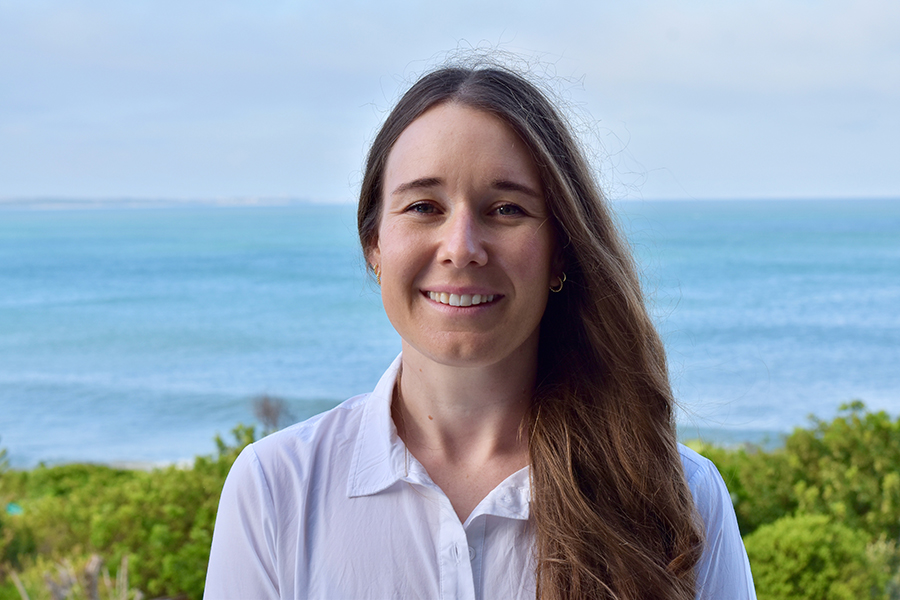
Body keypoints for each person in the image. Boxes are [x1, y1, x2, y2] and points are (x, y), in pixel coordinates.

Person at [204, 62, 756, 600]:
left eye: (506, 209)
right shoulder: (276, 490)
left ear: (560, 249)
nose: (462, 247)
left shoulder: (680, 497)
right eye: (424, 206)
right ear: (374, 245)